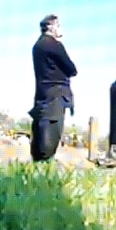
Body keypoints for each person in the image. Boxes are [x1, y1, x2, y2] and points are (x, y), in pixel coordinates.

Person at [29, 14, 78, 161]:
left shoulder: (37, 46)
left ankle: (38, 164)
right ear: (50, 27)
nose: (60, 28)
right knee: (51, 132)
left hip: (42, 93)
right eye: (58, 25)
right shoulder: (54, 45)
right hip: (56, 94)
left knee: (40, 130)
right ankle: (46, 165)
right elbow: (72, 69)